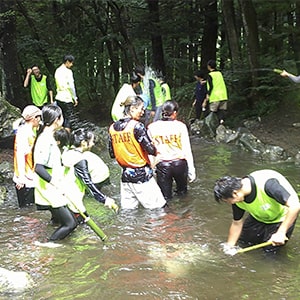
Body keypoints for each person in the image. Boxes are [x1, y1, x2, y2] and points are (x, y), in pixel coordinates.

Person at [214, 169, 300, 254]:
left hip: (282, 217)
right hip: (258, 216)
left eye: (227, 201)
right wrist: (229, 247)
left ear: (235, 193)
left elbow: (295, 206)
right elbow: (237, 223)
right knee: (244, 243)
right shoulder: (238, 198)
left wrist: (281, 233)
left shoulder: (268, 185)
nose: (229, 203)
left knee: (270, 253)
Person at [108, 95, 166, 209]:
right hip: (141, 175)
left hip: (125, 176)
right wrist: (156, 146)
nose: (143, 112)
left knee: (129, 212)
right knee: (158, 209)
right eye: (141, 109)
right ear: (132, 109)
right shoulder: (137, 126)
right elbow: (151, 150)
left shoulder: (112, 128)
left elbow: (112, 154)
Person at [34, 104, 78, 241]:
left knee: (59, 221)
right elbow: (38, 167)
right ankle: (49, 245)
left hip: (52, 187)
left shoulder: (49, 137)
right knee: (71, 224)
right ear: (57, 119)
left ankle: (62, 249)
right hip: (50, 188)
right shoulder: (45, 139)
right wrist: (55, 184)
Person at [60, 128, 117, 221]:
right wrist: (104, 199)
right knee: (76, 224)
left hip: (61, 195)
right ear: (83, 143)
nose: (93, 144)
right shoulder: (80, 159)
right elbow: (88, 182)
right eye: (91, 141)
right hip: (73, 199)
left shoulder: (66, 152)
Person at [147, 100, 196, 200]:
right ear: (174, 113)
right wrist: (192, 170)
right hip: (180, 164)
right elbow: (187, 149)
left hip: (162, 165)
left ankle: (167, 214)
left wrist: (151, 168)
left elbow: (150, 151)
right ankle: (185, 213)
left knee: (165, 198)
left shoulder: (152, 127)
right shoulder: (181, 126)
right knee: (183, 194)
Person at [13, 105, 42, 207]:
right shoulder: (25, 133)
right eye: (39, 118)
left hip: (27, 176)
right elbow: (20, 155)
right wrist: (21, 178)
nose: (40, 121)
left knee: (28, 210)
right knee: (28, 210)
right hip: (25, 178)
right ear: (34, 118)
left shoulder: (25, 130)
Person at [54, 54, 78, 131]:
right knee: (69, 120)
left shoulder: (57, 70)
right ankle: (67, 138)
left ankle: (60, 136)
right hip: (67, 98)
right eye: (71, 63)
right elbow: (71, 86)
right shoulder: (68, 72)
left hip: (58, 97)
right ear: (67, 62)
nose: (72, 65)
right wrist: (75, 97)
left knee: (61, 118)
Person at [203, 60, 228, 125]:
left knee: (212, 112)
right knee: (222, 111)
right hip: (223, 95)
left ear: (209, 66)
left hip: (215, 96)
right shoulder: (219, 73)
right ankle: (221, 123)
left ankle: (212, 126)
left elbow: (211, 85)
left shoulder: (210, 75)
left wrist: (208, 94)